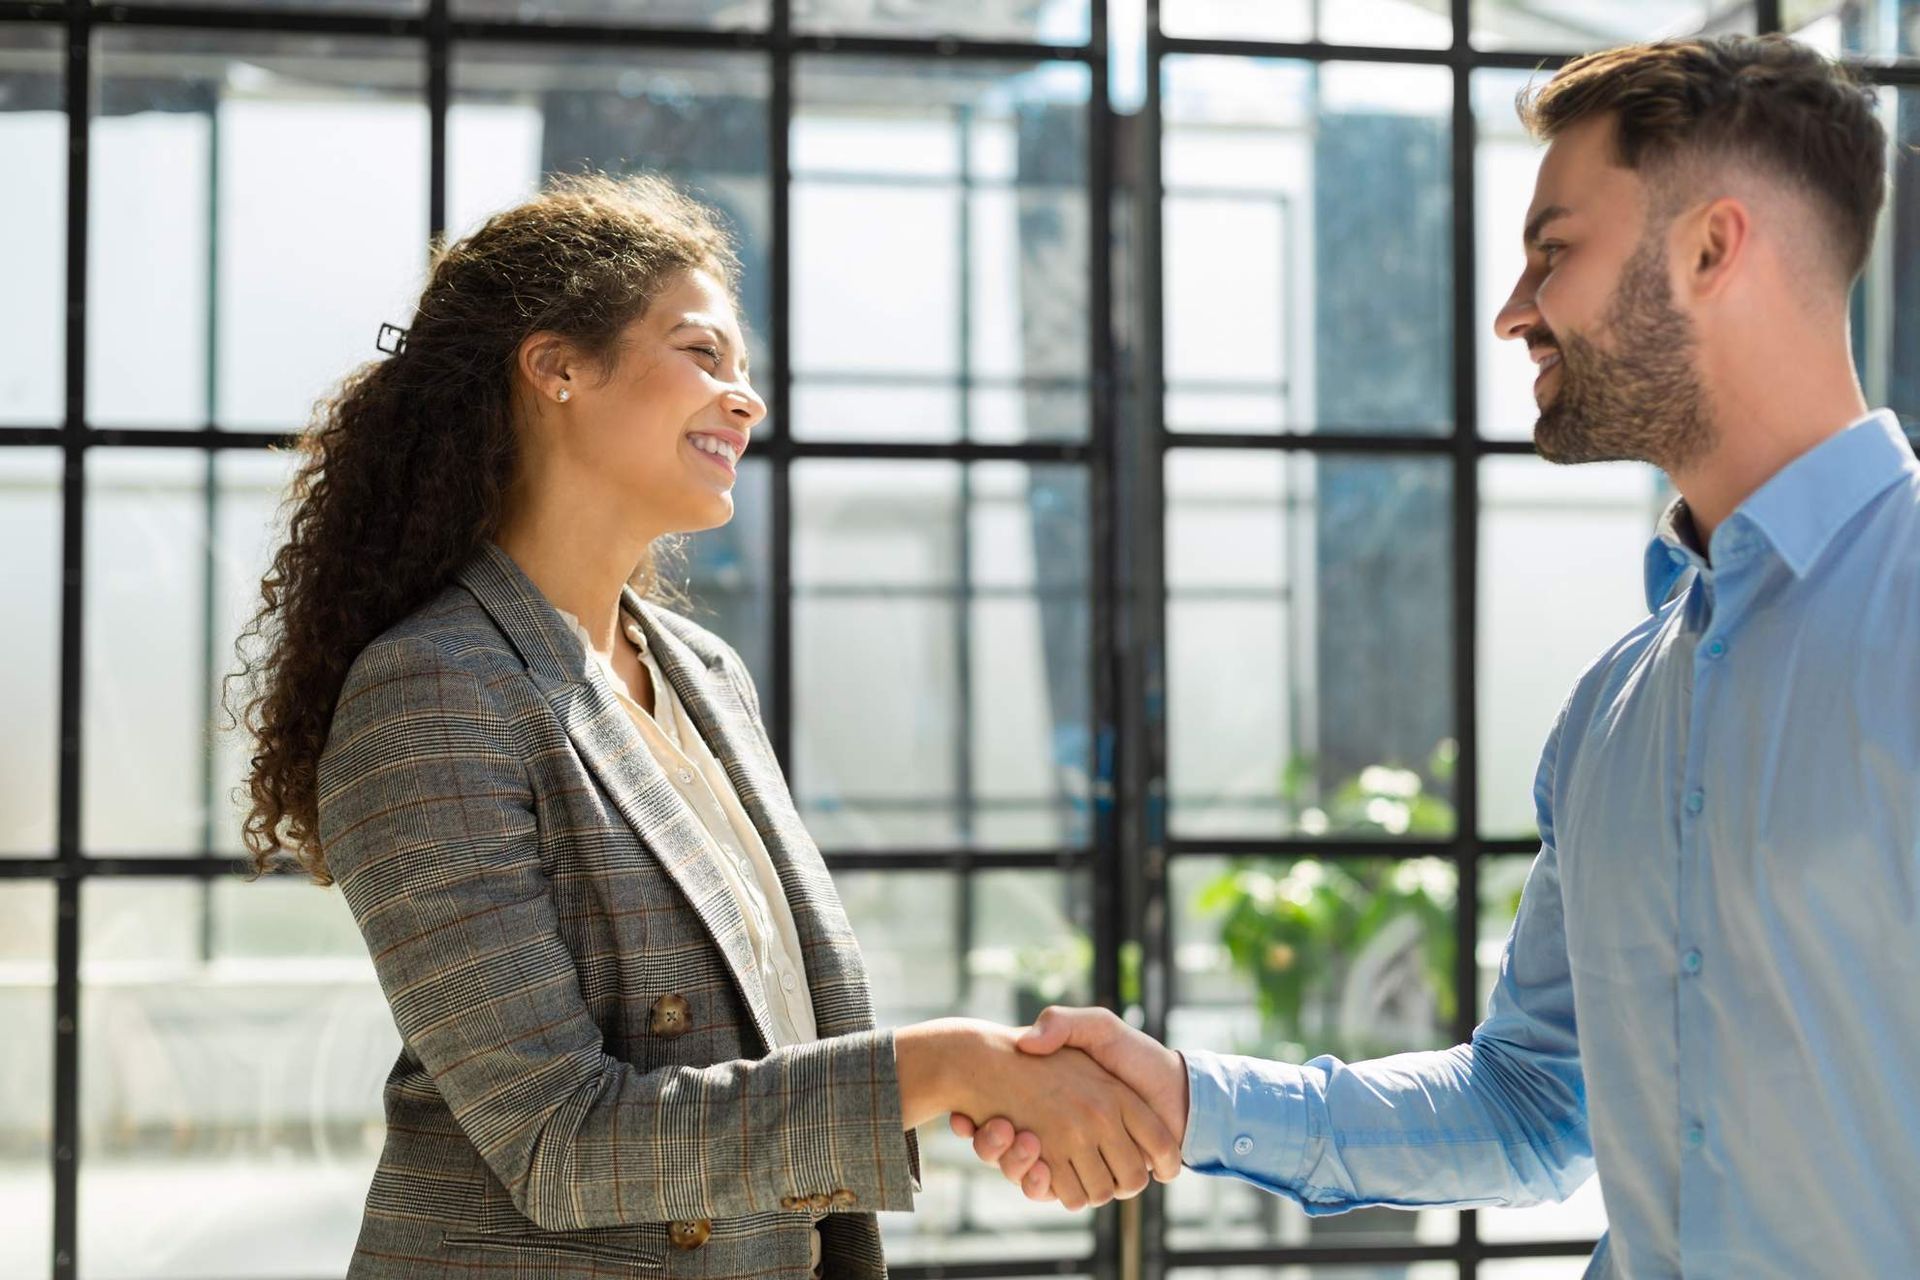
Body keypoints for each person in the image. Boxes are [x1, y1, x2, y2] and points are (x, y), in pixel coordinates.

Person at [957, 33, 1920, 1278]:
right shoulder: (1616, 708)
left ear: (1709, 247)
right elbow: (1525, 1101)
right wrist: (1191, 1099)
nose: (1516, 309)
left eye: (1554, 251)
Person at [229, 172, 1178, 1280]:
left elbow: (771, 1047)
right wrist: (951, 1065)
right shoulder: (433, 690)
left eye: (745, 368)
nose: (746, 398)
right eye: (702, 353)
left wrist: (990, 1082)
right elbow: (562, 1139)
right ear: (557, 366)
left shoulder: (705, 675)